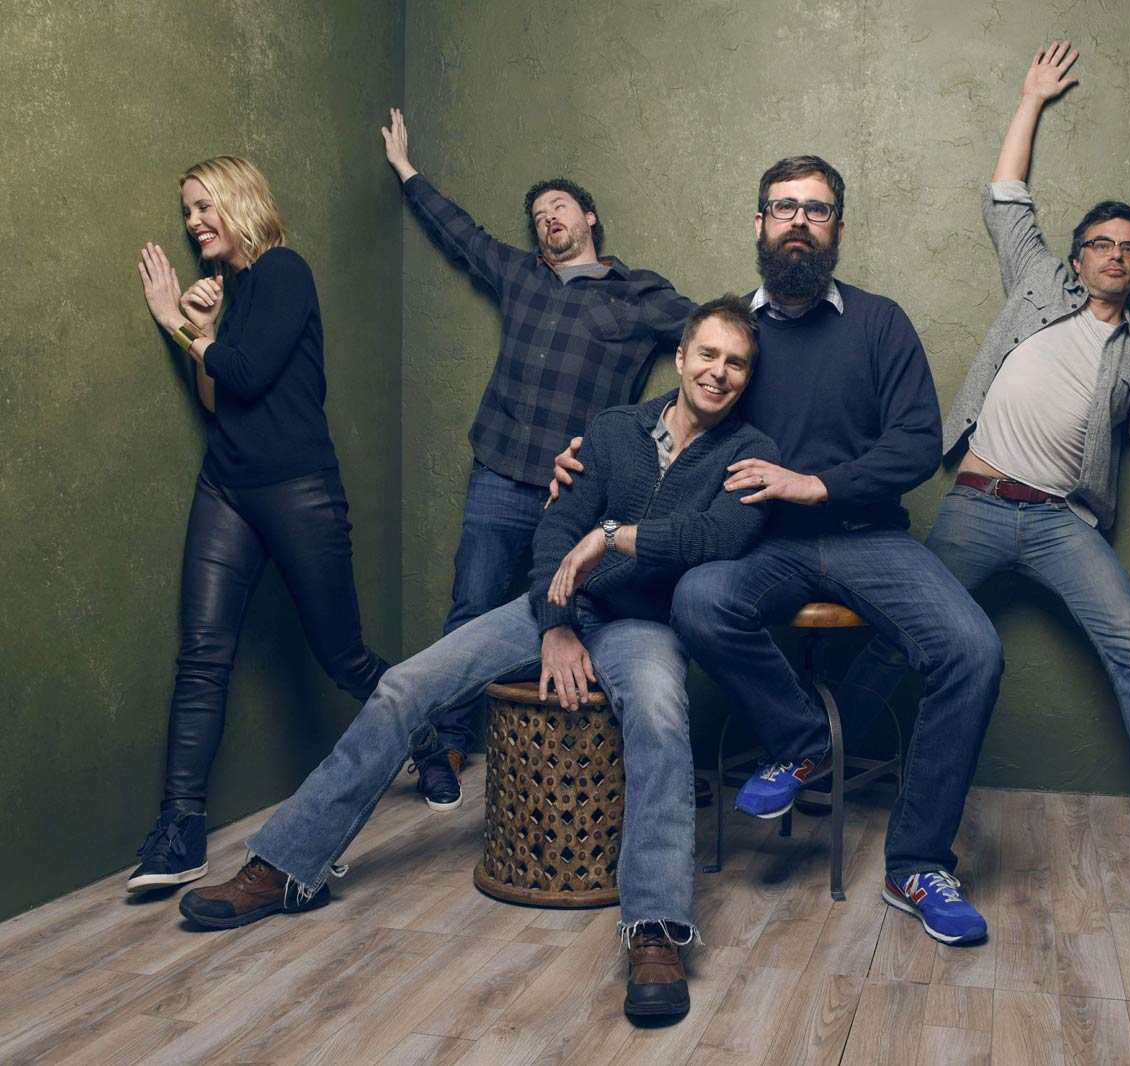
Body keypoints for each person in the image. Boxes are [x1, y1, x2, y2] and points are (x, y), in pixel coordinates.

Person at [179, 296, 776, 1027]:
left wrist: (611, 536)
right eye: (708, 354)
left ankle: (655, 927)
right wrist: (556, 623)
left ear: (747, 377)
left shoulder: (750, 454)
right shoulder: (613, 428)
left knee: (658, 712)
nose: (719, 372)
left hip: (643, 625)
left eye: (736, 363)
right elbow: (557, 526)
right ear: (681, 358)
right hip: (561, 604)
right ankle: (287, 866)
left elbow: (713, 539)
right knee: (404, 684)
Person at [555, 156, 1006, 946]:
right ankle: (802, 741)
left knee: (973, 650)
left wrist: (817, 484)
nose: (800, 220)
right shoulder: (738, 335)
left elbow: (916, 445)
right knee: (699, 599)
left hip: (866, 537)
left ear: (838, 228)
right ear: (760, 222)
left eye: (817, 209)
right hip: (761, 544)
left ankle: (916, 865)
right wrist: (585, 453)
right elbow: (674, 405)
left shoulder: (880, 323)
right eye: (784, 206)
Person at [842, 42, 1130, 884]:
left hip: (1062, 525)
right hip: (976, 502)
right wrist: (1031, 97)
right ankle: (819, 758)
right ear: (1077, 258)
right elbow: (1006, 197)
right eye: (1101, 243)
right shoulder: (1036, 283)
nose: (1115, 255)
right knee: (898, 633)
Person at [381, 109, 696, 811]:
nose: (548, 219)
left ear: (590, 217)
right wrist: (406, 171)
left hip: (577, 490)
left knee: (578, 611)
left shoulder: (639, 294)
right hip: (498, 470)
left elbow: (712, 343)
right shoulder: (520, 276)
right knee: (472, 607)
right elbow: (460, 234)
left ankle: (578, 767)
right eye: (538, 216)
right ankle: (447, 746)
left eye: (559, 207)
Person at [128, 156, 389, 893]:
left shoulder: (284, 272)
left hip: (298, 490)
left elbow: (246, 373)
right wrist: (203, 330)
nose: (192, 222)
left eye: (202, 205)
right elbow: (218, 396)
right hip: (227, 487)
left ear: (239, 200)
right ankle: (180, 831)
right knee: (202, 654)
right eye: (186, 210)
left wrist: (175, 323)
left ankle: (429, 738)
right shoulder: (234, 294)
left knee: (344, 659)